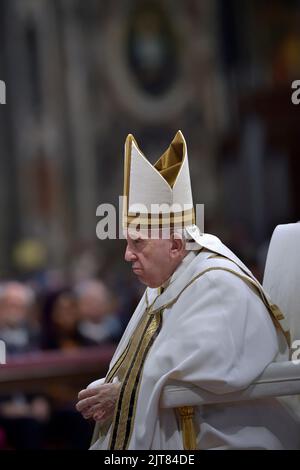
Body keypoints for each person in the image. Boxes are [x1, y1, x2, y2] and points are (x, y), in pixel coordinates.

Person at [76, 131, 297, 450]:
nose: (127, 254)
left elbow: (208, 374)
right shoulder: (165, 283)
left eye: (137, 242)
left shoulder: (218, 285)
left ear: (177, 246)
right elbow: (153, 368)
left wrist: (124, 395)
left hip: (226, 435)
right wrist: (115, 388)